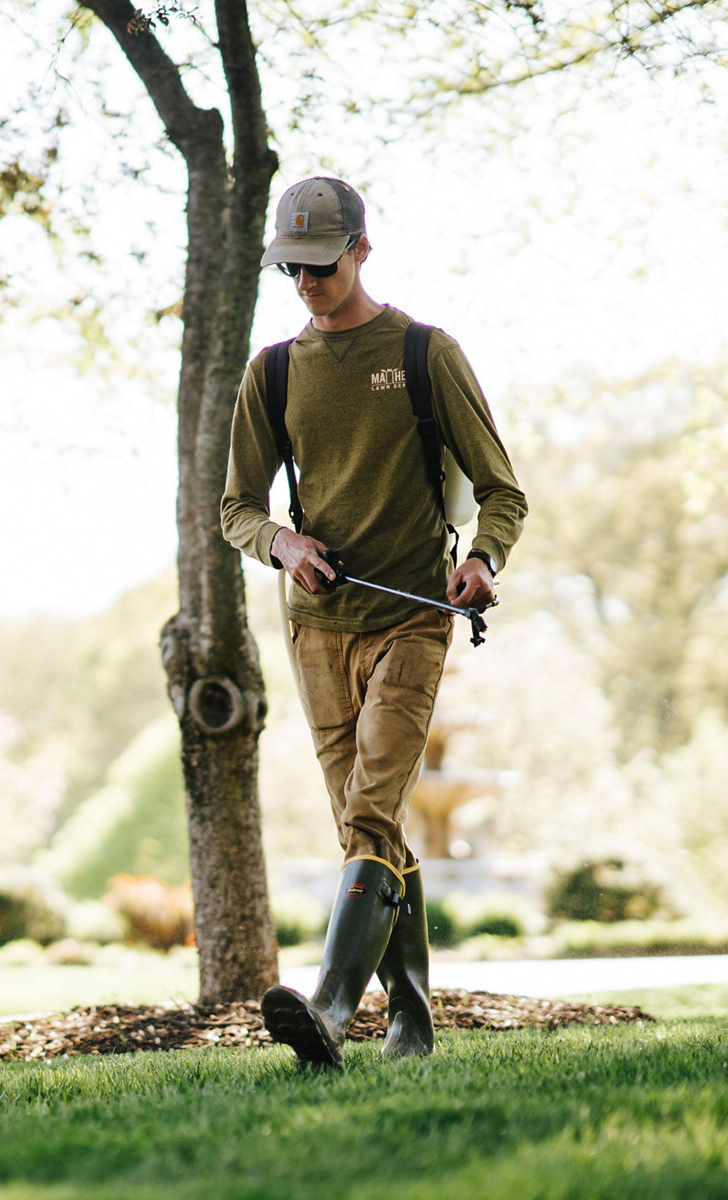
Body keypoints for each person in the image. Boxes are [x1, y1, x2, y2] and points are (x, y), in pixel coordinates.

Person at [220, 176, 528, 1067]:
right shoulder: (272, 372)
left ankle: (330, 1007)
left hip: (413, 620)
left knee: (371, 807)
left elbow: (502, 491)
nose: (306, 283)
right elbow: (234, 507)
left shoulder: (427, 353)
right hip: (317, 628)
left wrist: (482, 558)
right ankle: (413, 1023)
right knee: (374, 829)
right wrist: (282, 543)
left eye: (320, 265)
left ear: (361, 249)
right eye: (292, 269)